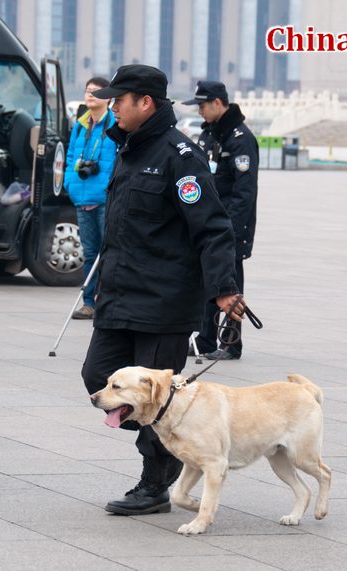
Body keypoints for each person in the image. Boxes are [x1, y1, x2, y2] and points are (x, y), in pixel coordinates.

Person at [82, 64, 245, 515]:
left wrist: (224, 290)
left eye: (119, 100)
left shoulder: (181, 157)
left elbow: (212, 228)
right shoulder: (128, 149)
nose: (112, 106)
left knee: (154, 397)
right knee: (97, 377)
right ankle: (173, 444)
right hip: (118, 296)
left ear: (145, 102)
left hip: (164, 302)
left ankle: (154, 484)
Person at [185, 81, 258, 361]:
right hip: (208, 224)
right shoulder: (209, 135)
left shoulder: (239, 138)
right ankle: (203, 340)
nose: (200, 111)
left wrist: (231, 229)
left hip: (229, 227)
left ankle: (231, 343)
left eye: (202, 106)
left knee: (229, 285)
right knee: (207, 282)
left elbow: (245, 191)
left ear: (217, 103)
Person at [63, 76, 118, 320]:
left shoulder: (115, 124)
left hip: (105, 198)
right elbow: (70, 157)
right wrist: (69, 183)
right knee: (89, 252)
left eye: (97, 91)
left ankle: (106, 301)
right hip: (82, 197)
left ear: (108, 96)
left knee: (109, 252)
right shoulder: (80, 126)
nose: (91, 94)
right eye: (88, 90)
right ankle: (88, 302)